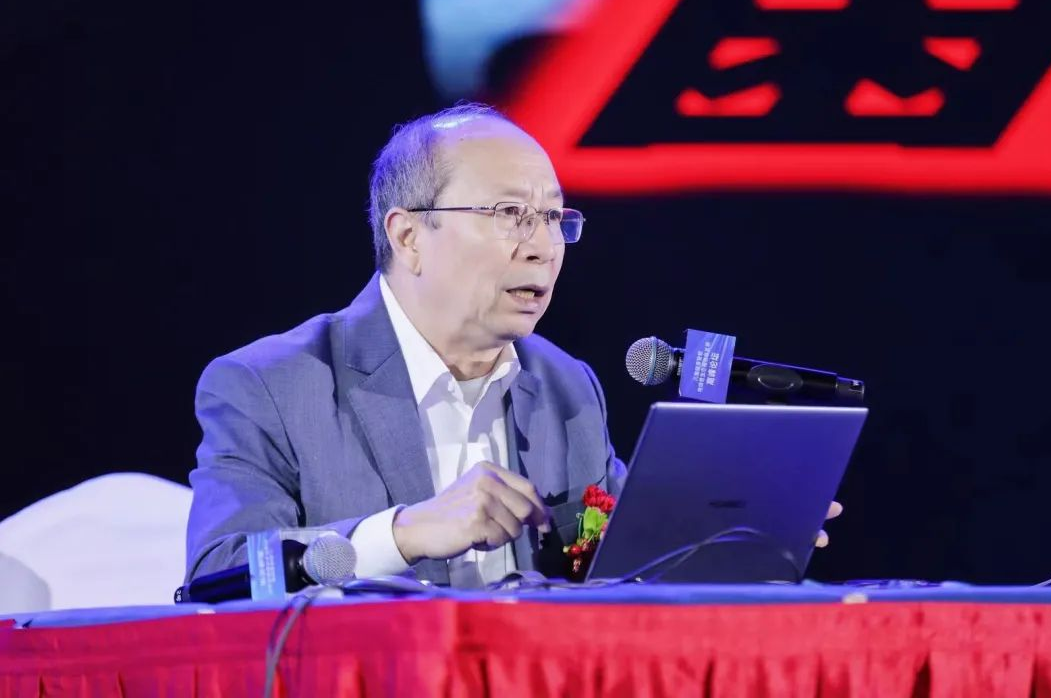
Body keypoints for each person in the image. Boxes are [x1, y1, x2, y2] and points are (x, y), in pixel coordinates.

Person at [185, 103, 839, 588]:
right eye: (509, 215)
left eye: (554, 217)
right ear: (409, 237)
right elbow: (219, 575)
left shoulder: (565, 385)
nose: (543, 246)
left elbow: (616, 564)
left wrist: (726, 538)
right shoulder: (272, 384)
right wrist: (405, 533)